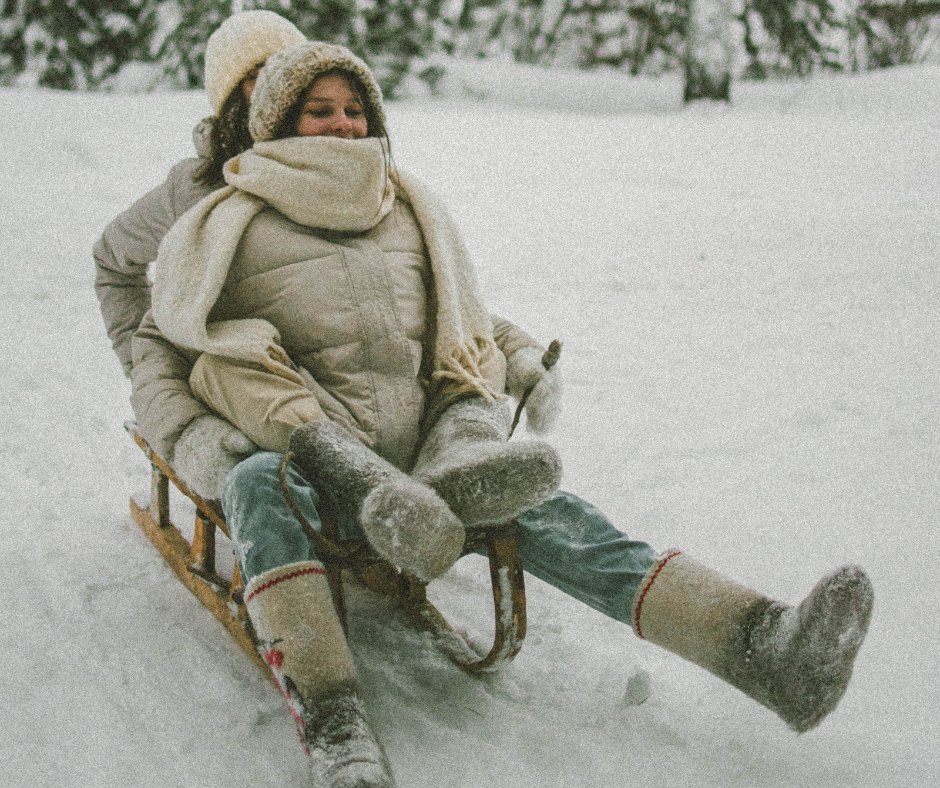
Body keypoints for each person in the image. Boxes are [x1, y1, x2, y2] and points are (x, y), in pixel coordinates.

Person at [128, 41, 874, 788]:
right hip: (314, 468)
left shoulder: (407, 208)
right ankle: (335, 726)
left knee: (538, 505)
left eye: (356, 110)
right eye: (319, 111)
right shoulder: (224, 226)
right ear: (276, 125)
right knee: (258, 479)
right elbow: (167, 348)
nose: (344, 127)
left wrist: (515, 357)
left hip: (427, 463)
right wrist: (197, 442)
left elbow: (462, 318)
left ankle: (765, 647)